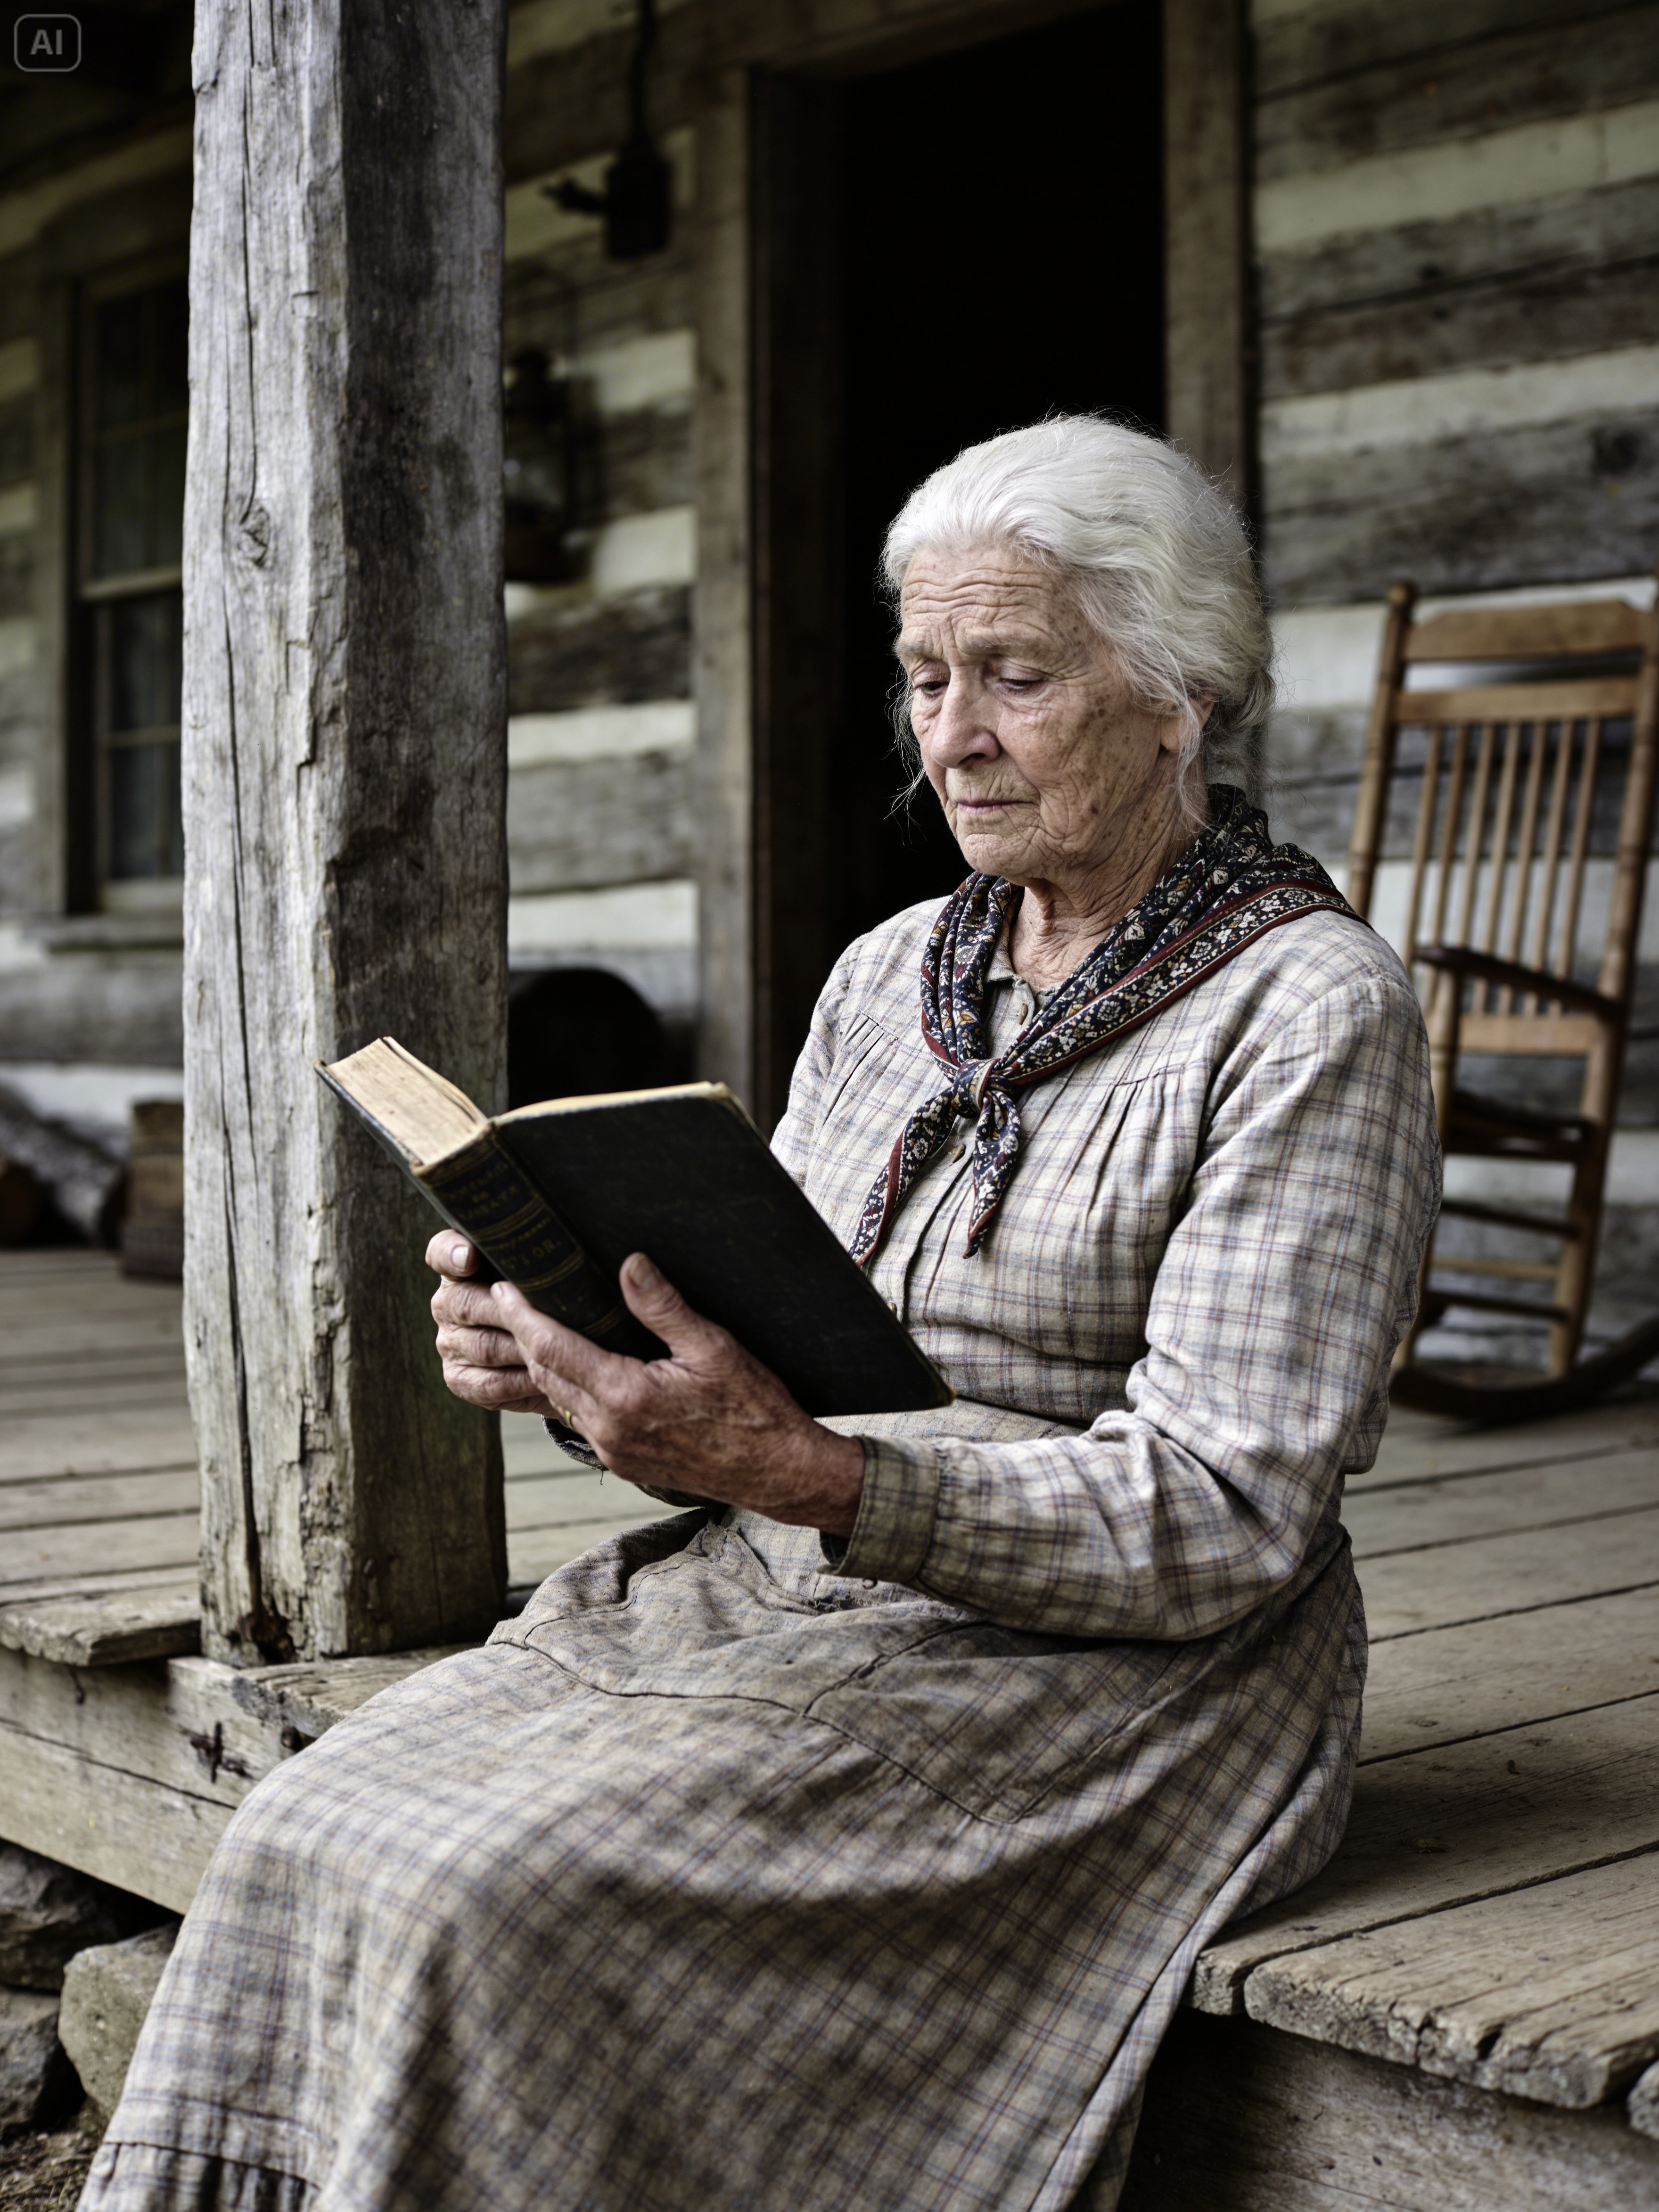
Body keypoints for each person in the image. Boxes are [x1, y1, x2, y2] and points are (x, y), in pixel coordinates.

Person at [82, 419, 1438, 2212]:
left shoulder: (1309, 1011)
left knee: (494, 1902)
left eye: (1017, 676)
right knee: (304, 1827)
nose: (953, 733)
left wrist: (821, 1481)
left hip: (1121, 1676)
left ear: (1181, 693)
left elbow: (1229, 1518)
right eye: (927, 677)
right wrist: (576, 1362)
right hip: (788, 1585)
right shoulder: (893, 974)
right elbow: (763, 1378)